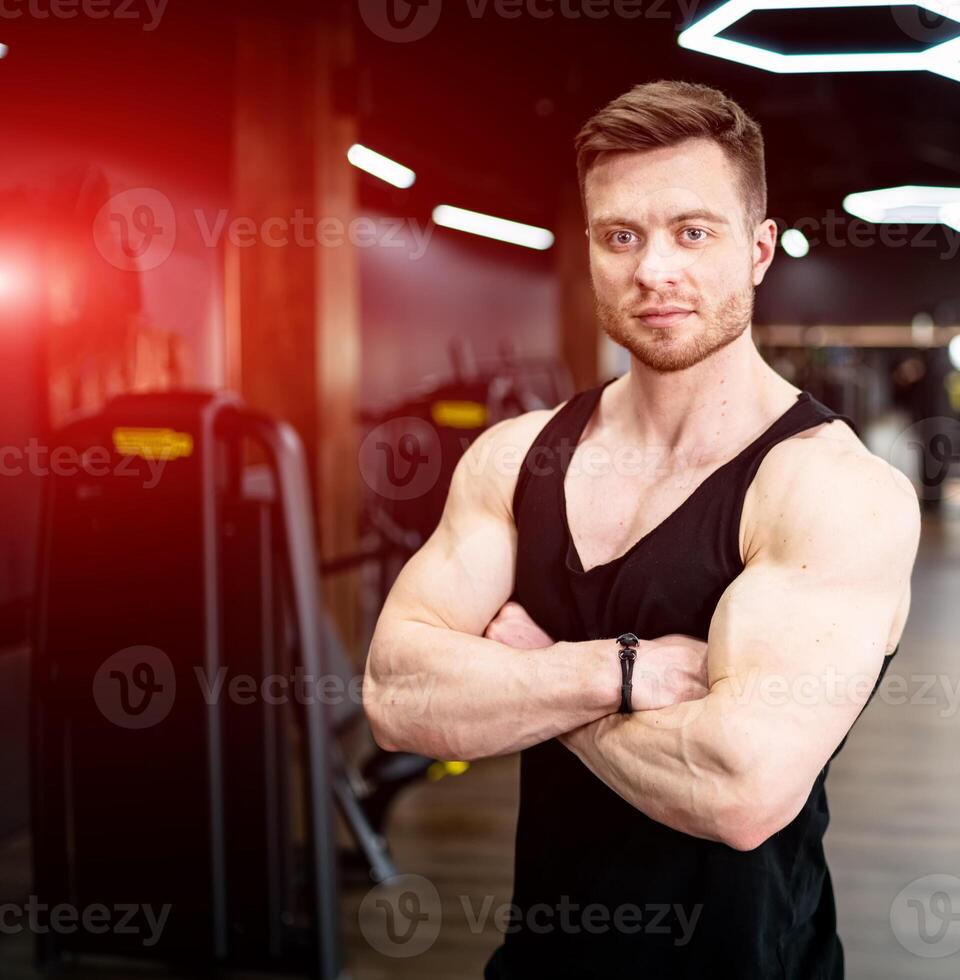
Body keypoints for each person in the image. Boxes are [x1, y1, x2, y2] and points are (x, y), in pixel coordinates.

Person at [364, 79, 920, 979]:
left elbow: (741, 788)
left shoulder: (831, 489)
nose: (653, 269)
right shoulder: (515, 460)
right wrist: (617, 670)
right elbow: (396, 696)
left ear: (759, 251)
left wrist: (533, 675)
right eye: (621, 236)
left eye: (693, 232)